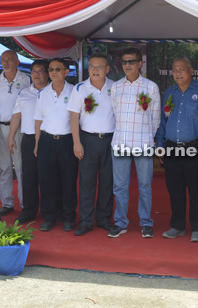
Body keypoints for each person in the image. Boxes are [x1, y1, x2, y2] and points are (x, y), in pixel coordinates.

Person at [156, 57, 198, 242]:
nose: (178, 73)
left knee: (196, 188)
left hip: (194, 147)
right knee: (175, 189)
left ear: (191, 70)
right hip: (172, 147)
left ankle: (197, 227)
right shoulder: (169, 94)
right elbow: (163, 121)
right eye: (174, 70)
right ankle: (177, 226)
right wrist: (160, 146)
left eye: (181, 69)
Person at [109, 48, 161, 238]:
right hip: (121, 142)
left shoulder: (151, 87)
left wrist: (147, 135)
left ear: (140, 63)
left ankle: (146, 222)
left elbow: (156, 118)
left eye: (131, 61)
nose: (127, 65)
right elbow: (115, 113)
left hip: (143, 142)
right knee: (120, 186)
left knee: (145, 186)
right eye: (124, 62)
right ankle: (121, 222)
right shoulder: (116, 87)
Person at [68, 53, 116, 236]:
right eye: (92, 67)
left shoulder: (115, 87)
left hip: (111, 140)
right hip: (87, 139)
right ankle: (86, 221)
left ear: (107, 69)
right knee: (87, 182)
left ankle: (104, 218)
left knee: (107, 182)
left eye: (99, 67)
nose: (95, 70)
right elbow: (74, 117)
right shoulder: (80, 88)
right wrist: (76, 143)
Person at [34, 58, 78, 232]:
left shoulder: (75, 91)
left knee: (68, 181)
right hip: (46, 141)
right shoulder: (42, 93)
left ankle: (68, 217)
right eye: (51, 69)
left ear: (66, 72)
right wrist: (37, 143)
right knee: (46, 181)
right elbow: (38, 119)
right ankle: (49, 216)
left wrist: (77, 143)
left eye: (57, 69)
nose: (53, 72)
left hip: (67, 142)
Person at [8, 60, 50, 224]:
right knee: (29, 177)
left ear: (47, 73)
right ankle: (29, 210)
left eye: (40, 71)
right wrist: (11, 136)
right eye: (34, 71)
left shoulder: (54, 91)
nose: (37, 74)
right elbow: (16, 115)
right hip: (29, 139)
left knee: (48, 177)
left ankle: (49, 212)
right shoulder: (24, 92)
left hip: (47, 138)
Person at [0, 50, 31, 216]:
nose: (6, 63)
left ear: (17, 61)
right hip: (0, 128)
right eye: (3, 60)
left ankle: (25, 204)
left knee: (21, 167)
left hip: (20, 128)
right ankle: (7, 203)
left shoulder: (27, 79)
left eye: (9, 60)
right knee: (4, 168)